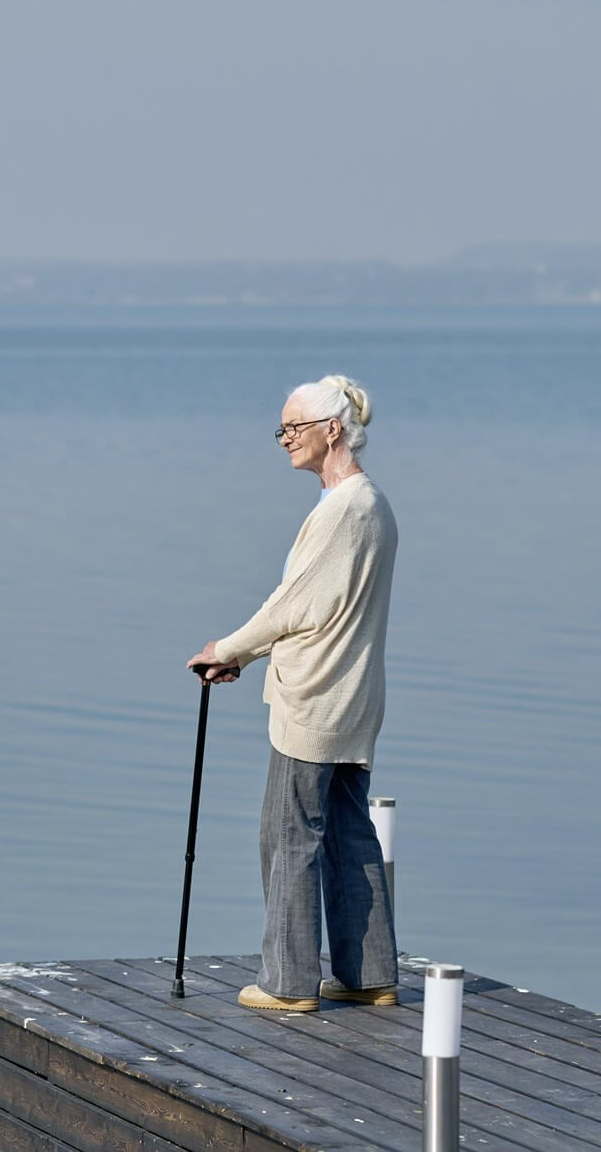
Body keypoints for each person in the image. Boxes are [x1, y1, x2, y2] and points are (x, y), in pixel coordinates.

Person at [188, 374, 400, 1012]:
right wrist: (248, 655)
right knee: (346, 831)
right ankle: (368, 975)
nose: (284, 439)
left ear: (331, 429)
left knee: (288, 834)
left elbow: (293, 608)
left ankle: (287, 982)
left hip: (315, 698)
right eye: (281, 429)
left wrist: (228, 650)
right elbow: (312, 607)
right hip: (354, 694)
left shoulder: (342, 510)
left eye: (293, 428)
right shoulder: (372, 503)